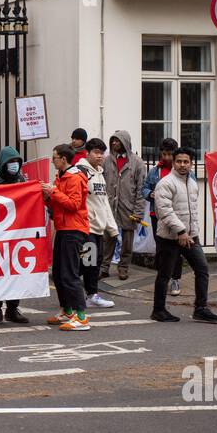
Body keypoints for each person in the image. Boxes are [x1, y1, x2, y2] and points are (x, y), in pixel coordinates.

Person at [151, 147, 217, 323]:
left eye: (186, 162)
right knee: (165, 275)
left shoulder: (191, 183)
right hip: (169, 238)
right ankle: (158, 310)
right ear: (173, 163)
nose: (182, 165)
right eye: (179, 161)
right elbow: (164, 211)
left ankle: (201, 308)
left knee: (202, 269)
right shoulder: (165, 183)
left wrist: (191, 232)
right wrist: (180, 231)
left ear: (191, 164)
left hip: (190, 237)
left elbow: (192, 212)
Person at [0, 145, 32, 326]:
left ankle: (12, 308)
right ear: (3, 163)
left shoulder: (21, 180)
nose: (14, 166)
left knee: (15, 272)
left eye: (17, 162)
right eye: (10, 162)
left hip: (16, 233)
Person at [44, 144, 91, 331]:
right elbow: (57, 204)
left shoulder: (74, 178)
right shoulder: (61, 177)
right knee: (58, 273)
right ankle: (67, 310)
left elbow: (73, 204)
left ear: (63, 159)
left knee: (69, 274)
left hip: (74, 229)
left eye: (54, 157)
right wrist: (48, 196)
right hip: (63, 228)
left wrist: (53, 192)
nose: (52, 160)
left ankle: (81, 316)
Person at [78, 138, 118, 312]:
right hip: (86, 226)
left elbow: (104, 203)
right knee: (89, 262)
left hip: (98, 227)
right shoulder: (81, 172)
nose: (100, 156)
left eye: (102, 153)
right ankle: (90, 295)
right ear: (87, 153)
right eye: (96, 152)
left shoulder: (99, 174)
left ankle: (75, 289)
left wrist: (112, 228)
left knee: (94, 261)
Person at [142, 137, 184, 292]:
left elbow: (190, 189)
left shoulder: (182, 170)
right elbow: (144, 188)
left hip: (177, 214)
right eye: (164, 154)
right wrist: (150, 193)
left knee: (177, 248)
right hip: (157, 215)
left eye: (169, 154)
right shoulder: (155, 171)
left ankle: (175, 279)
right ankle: (163, 277)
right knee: (161, 248)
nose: (166, 157)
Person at [101, 130, 145, 280]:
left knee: (127, 240)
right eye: (112, 141)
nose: (114, 143)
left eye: (117, 141)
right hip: (109, 207)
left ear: (125, 142)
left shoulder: (137, 162)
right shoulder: (106, 161)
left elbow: (141, 189)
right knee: (108, 238)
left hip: (128, 207)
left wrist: (138, 212)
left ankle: (123, 267)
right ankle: (104, 267)